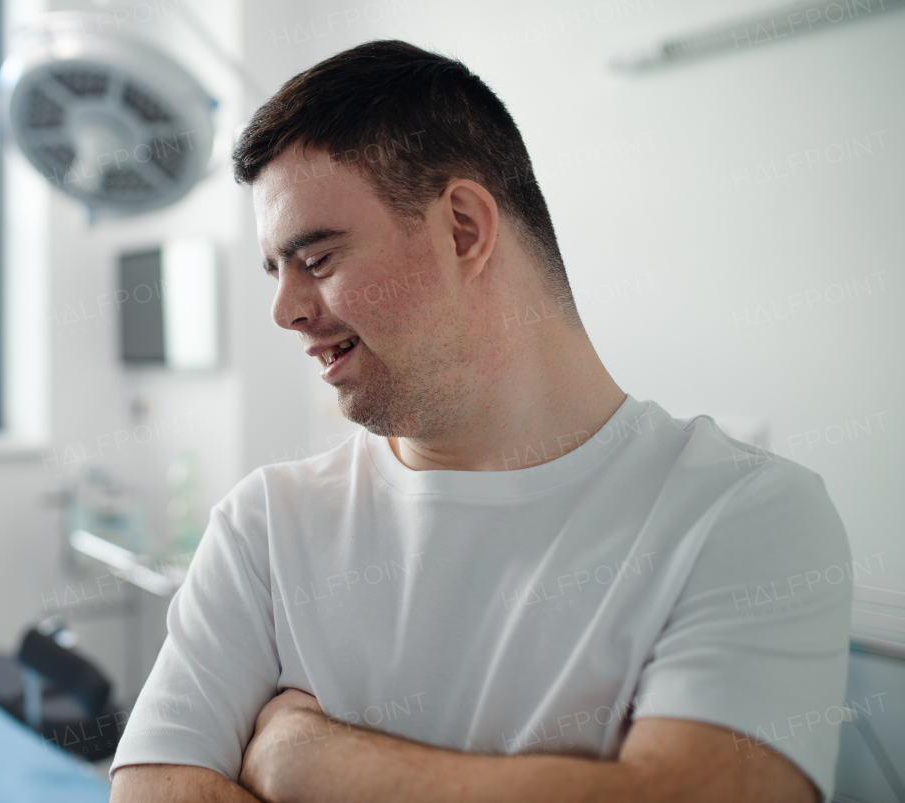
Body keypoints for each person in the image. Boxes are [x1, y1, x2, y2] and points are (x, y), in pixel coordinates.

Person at [109, 40, 851, 803]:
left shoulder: (742, 516)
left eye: (318, 258)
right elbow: (152, 788)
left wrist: (304, 757)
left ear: (463, 228)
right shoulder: (264, 526)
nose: (285, 310)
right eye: (276, 270)